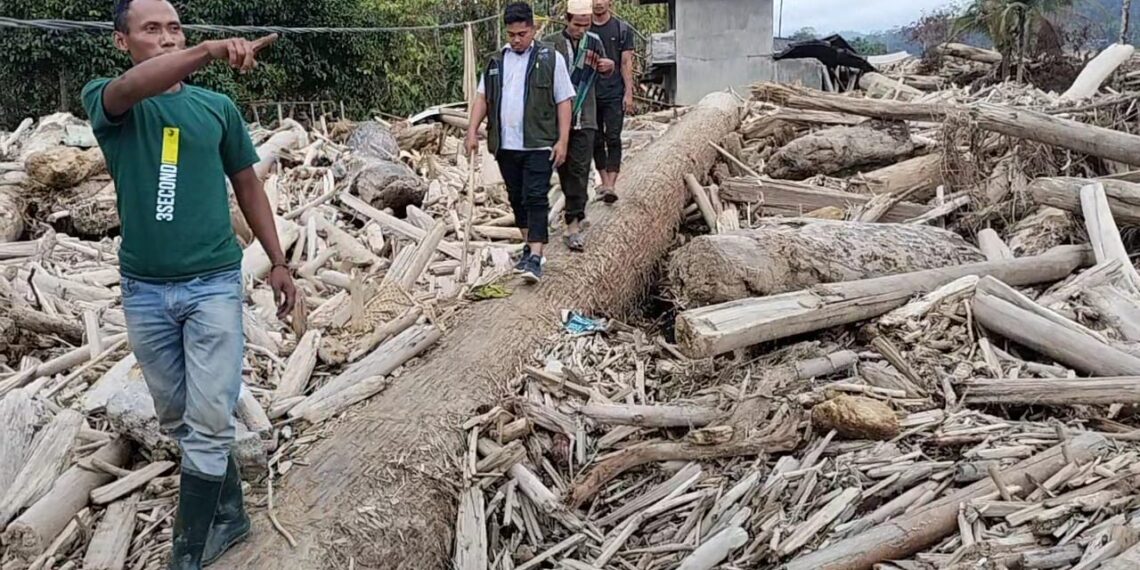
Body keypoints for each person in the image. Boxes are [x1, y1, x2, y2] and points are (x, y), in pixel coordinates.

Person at [81, 1, 296, 568]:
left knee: (209, 419)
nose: (168, 38)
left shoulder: (215, 108)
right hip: (145, 290)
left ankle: (187, 551)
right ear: (122, 42)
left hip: (213, 284)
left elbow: (248, 185)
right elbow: (134, 86)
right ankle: (231, 513)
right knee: (176, 416)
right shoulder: (111, 100)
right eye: (151, 29)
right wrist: (207, 51)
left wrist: (278, 261)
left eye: (175, 28)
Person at [466, 1, 575, 282]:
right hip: (506, 144)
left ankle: (536, 256)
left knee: (535, 196)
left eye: (522, 34)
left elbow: (564, 100)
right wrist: (471, 131)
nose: (516, 40)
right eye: (511, 34)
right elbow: (483, 98)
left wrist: (563, 140)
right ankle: (529, 246)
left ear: (533, 29)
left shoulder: (550, 59)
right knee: (517, 198)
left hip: (539, 142)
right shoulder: (496, 62)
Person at [543, 0, 614, 252]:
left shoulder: (594, 42)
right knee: (565, 168)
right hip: (558, 117)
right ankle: (575, 211)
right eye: (577, 25)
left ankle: (572, 224)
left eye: (586, 25)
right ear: (567, 19)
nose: (581, 30)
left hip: (586, 115)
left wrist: (608, 67)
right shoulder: (550, 44)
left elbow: (604, 69)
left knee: (581, 169)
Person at [591, 0, 635, 203]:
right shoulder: (584, 28)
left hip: (614, 92)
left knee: (613, 137)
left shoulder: (621, 29)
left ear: (610, 2)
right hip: (589, 93)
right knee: (595, 139)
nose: (598, 3)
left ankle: (611, 184)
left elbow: (626, 62)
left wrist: (628, 93)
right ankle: (604, 180)